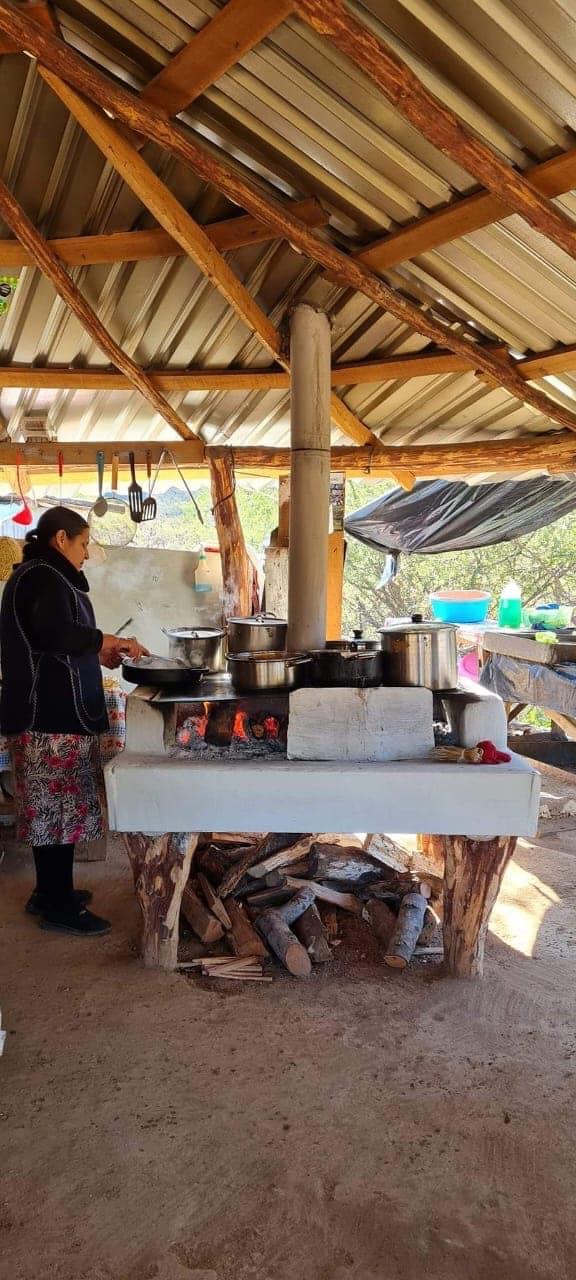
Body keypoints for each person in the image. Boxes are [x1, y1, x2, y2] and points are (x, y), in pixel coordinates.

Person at [0, 506, 147, 936]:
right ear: (61, 539)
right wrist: (111, 640)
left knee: (57, 810)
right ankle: (58, 904)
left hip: (51, 713)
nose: (86, 554)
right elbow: (55, 635)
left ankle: (49, 891)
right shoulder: (41, 576)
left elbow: (55, 640)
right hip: (46, 716)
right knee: (55, 810)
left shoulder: (41, 575)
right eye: (83, 544)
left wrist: (97, 652)